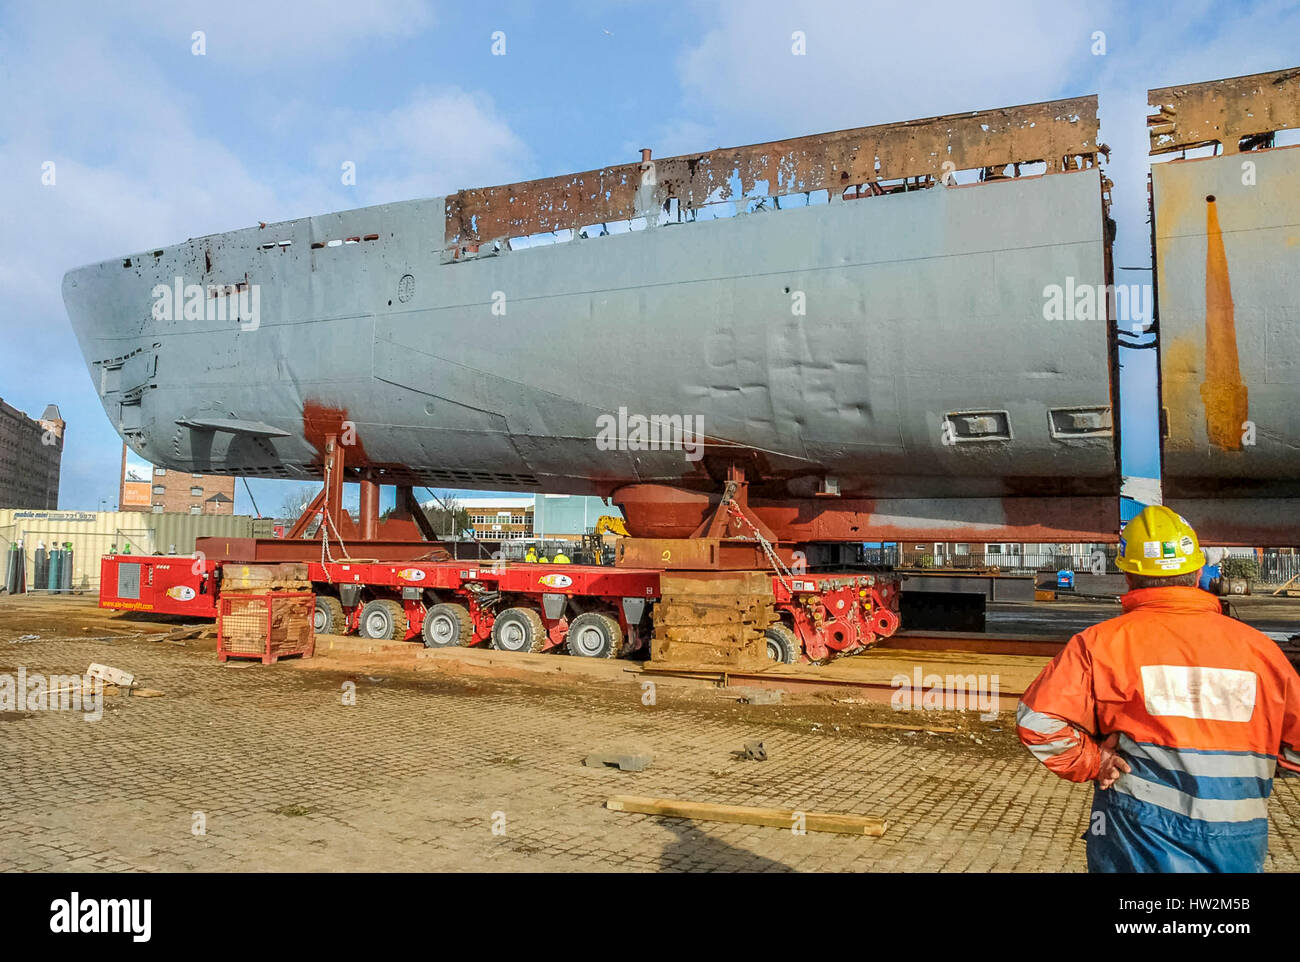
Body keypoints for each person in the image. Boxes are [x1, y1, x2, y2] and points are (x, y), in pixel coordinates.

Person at [1017, 505, 1300, 872]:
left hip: (1138, 836)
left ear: (1128, 577)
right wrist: (1255, 763)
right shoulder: (1261, 651)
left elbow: (1038, 723)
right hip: (1237, 838)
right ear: (1198, 572)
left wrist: (1094, 761)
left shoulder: (1100, 644)